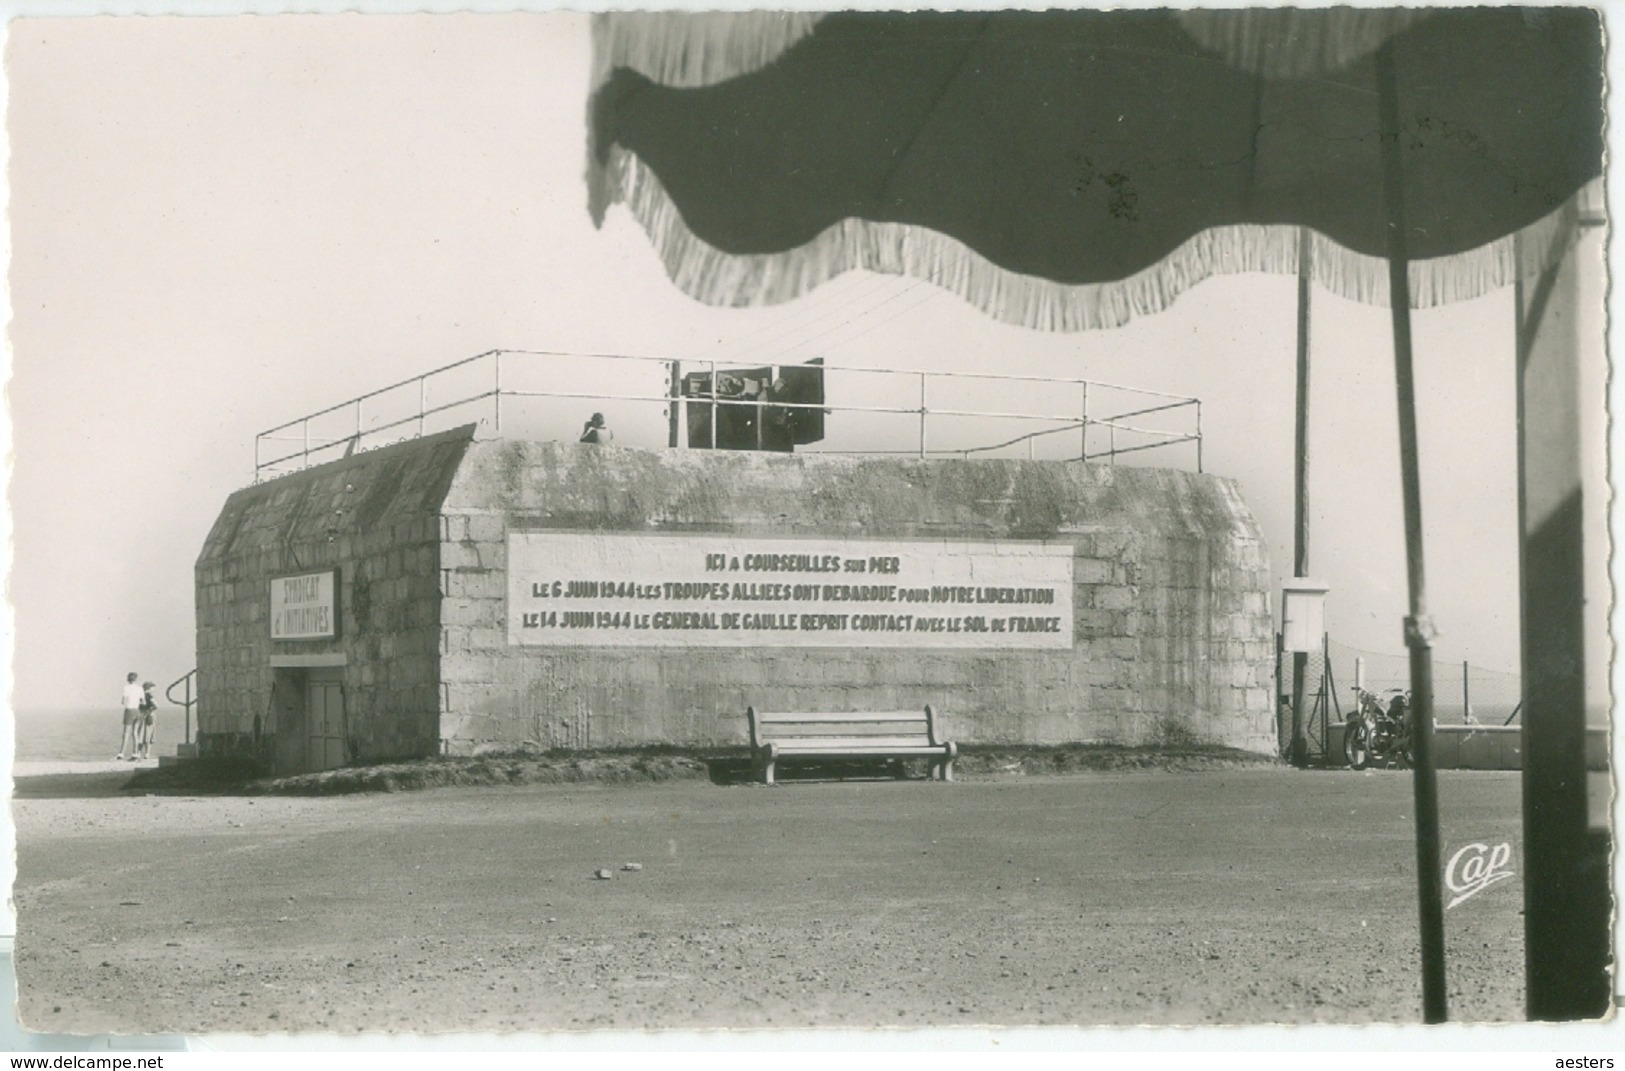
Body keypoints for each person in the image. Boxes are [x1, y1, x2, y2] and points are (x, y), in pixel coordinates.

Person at [117, 672, 143, 761]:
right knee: (135, 733)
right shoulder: (140, 688)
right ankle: (135, 753)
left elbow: (123, 701)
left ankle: (121, 753)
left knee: (126, 733)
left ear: (128, 679)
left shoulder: (126, 688)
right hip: (137, 710)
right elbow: (143, 702)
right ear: (136, 679)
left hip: (129, 710)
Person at [137, 681, 158, 760]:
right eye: (153, 688)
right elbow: (156, 705)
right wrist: (150, 710)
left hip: (141, 715)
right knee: (149, 735)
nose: (154, 690)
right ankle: (147, 753)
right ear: (149, 688)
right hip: (149, 715)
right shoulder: (149, 696)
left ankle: (138, 753)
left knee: (141, 734)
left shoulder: (140, 696)